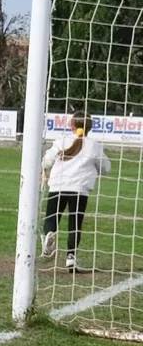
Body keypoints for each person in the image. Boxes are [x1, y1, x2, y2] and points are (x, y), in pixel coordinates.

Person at [42, 112, 112, 272]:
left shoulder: (62, 140)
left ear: (71, 126)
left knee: (52, 217)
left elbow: (48, 160)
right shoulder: (93, 145)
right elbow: (106, 167)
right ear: (90, 127)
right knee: (75, 223)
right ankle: (71, 256)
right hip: (79, 189)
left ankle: (49, 235)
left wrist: (44, 168)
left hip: (58, 185)